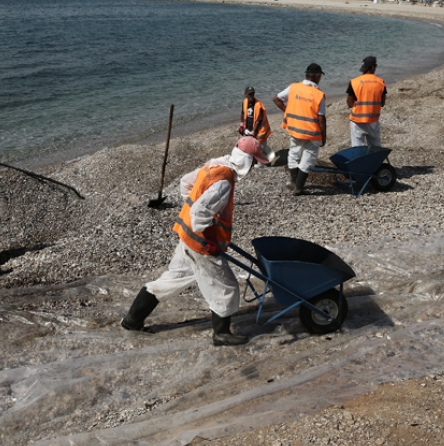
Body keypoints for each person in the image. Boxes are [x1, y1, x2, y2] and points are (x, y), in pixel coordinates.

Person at [121, 136, 269, 346]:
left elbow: (186, 183)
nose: (254, 165)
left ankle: (132, 320)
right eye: (254, 161)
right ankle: (221, 334)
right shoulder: (224, 180)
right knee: (225, 287)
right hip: (200, 244)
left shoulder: (215, 165)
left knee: (172, 278)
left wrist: (192, 209)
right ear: (247, 160)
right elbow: (200, 212)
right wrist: (206, 236)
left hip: (186, 237)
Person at [273, 63, 327, 196]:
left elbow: (277, 99)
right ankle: (299, 187)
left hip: (295, 128)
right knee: (308, 156)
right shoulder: (318, 94)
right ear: (317, 76)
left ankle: (293, 181)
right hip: (311, 132)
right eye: (320, 76)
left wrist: (288, 112)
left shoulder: (294, 88)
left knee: (293, 153)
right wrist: (323, 136)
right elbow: (321, 118)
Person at [346, 56, 387, 149]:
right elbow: (382, 103)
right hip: (373, 120)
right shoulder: (381, 82)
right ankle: (374, 162)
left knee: (357, 148)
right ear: (373, 67)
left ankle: (359, 163)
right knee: (375, 147)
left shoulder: (354, 82)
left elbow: (349, 104)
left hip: (357, 121)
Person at [239, 86, 276, 165]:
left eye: (252, 94)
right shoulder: (244, 102)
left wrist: (253, 131)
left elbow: (258, 120)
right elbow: (242, 113)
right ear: (245, 95)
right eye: (249, 94)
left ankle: (261, 164)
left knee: (260, 147)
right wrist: (242, 124)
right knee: (252, 146)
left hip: (260, 130)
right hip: (248, 128)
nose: (251, 96)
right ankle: (257, 159)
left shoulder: (259, 105)